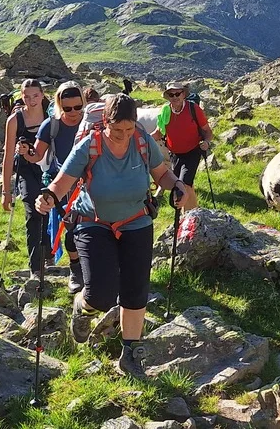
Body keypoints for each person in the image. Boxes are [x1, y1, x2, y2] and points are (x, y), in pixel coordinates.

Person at [36, 94, 196, 378]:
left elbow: (162, 174)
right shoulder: (90, 145)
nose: (123, 135)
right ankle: (83, 308)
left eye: (129, 129)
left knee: (135, 289)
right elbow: (62, 182)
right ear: (105, 123)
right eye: (117, 129)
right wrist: (47, 197)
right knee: (101, 294)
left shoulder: (143, 142)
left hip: (136, 221)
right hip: (93, 222)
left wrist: (178, 187)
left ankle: (130, 354)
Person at [25, 81, 86, 293]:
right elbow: (37, 156)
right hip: (62, 184)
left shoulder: (90, 123)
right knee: (71, 227)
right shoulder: (51, 126)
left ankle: (89, 268)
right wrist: (25, 152)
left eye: (78, 107)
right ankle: (76, 269)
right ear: (59, 105)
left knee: (90, 227)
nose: (73, 112)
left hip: (89, 183)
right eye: (67, 108)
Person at [1, 79, 49, 270]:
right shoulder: (14, 121)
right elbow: (7, 156)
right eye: (27, 96)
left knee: (49, 209)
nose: (31, 100)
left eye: (35, 95)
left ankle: (49, 254)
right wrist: (6, 192)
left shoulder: (51, 115)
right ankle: (36, 267)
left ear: (42, 94)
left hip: (49, 168)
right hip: (25, 170)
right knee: (32, 210)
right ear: (21, 97)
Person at [152, 82, 211, 211]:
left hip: (193, 151)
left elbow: (207, 130)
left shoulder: (193, 109)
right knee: (183, 186)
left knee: (184, 184)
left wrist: (206, 142)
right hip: (174, 154)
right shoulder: (165, 111)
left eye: (178, 93)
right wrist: (140, 141)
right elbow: (158, 133)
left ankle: (190, 218)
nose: (175, 97)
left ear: (183, 94)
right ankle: (191, 215)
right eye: (171, 94)